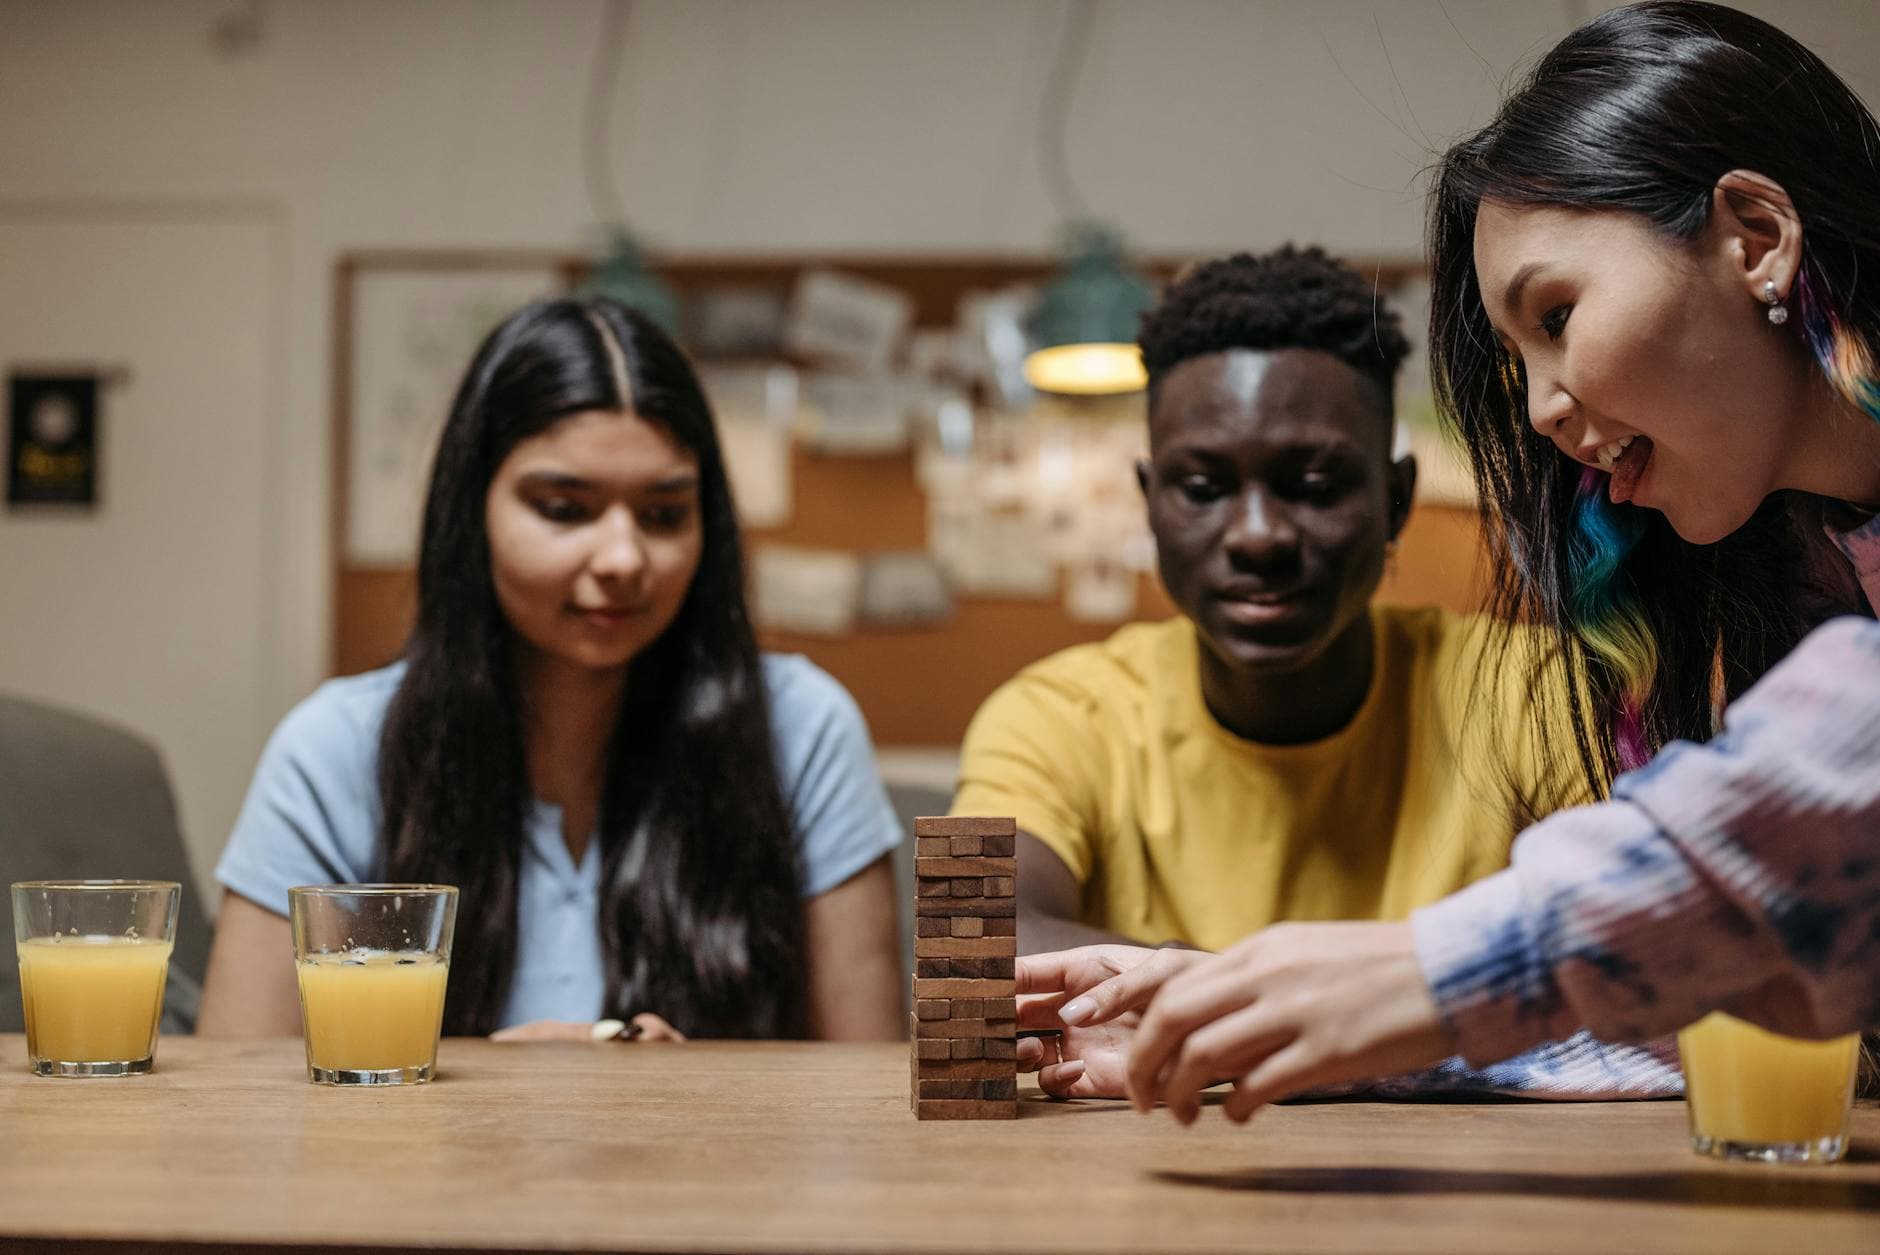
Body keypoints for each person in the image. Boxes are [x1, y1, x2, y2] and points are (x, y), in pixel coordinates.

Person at [1019, 0, 1880, 1124]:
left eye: (1556, 314)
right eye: (1515, 357)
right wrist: (1273, 1012)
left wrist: (1424, 974)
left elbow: (1833, 766)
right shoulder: (1810, 569)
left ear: (1755, 238)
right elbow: (1715, 1001)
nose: (1539, 411)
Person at [961, 249, 1673, 1098]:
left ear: (1396, 499)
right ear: (1151, 503)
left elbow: (1659, 951)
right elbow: (975, 938)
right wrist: (1310, 1012)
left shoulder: (1536, 687)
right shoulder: (1054, 710)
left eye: (1312, 483)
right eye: (1202, 486)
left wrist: (1224, 1003)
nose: (1259, 533)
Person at [197, 298, 903, 1043]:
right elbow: (240, 1107)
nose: (624, 558)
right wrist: (483, 1100)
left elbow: (864, 1104)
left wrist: (699, 1104)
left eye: (664, 515)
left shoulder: (805, 728)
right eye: (565, 509)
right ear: (473, 512)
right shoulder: (333, 747)